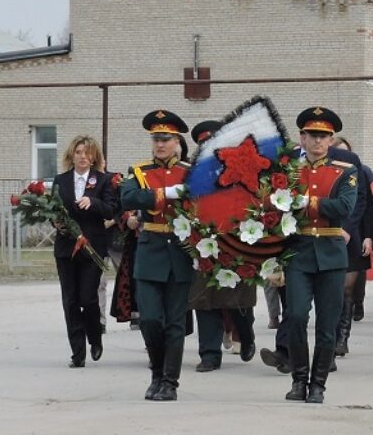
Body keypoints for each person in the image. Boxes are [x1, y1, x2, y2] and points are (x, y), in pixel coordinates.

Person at [283, 107, 357, 404]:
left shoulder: (344, 171)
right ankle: (299, 380)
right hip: (298, 253)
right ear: (302, 137)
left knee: (327, 324)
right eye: (312, 135)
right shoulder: (289, 172)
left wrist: (308, 202)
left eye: (323, 136)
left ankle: (318, 384)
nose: (317, 141)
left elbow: (345, 207)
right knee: (297, 316)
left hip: (330, 255)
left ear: (330, 140)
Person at [118, 110, 193, 401]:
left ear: (177, 141)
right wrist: (167, 194)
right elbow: (127, 198)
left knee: (175, 322)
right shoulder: (139, 172)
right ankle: (156, 373)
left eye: (166, 139)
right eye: (156, 139)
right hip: (150, 251)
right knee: (149, 319)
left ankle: (170, 382)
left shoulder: (190, 172)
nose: (160, 144)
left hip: (180, 252)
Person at [186, 120, 256, 373]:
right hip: (202, 245)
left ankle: (245, 335)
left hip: (237, 245)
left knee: (237, 300)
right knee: (204, 301)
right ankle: (209, 354)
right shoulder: (192, 175)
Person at [52, 135, 117, 369]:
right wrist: (56, 223)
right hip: (66, 248)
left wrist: (93, 202)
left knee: (88, 298)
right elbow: (53, 210)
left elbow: (110, 211)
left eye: (87, 153)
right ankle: (77, 352)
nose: (83, 157)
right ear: (72, 155)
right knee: (70, 300)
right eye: (79, 152)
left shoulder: (104, 180)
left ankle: (95, 337)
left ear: (94, 157)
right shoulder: (60, 181)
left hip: (92, 248)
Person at [328, 136, 373, 360]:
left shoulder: (359, 169)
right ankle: (331, 334)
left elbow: (365, 204)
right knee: (331, 290)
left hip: (351, 235)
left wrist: (367, 236)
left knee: (347, 288)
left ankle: (342, 338)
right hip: (326, 233)